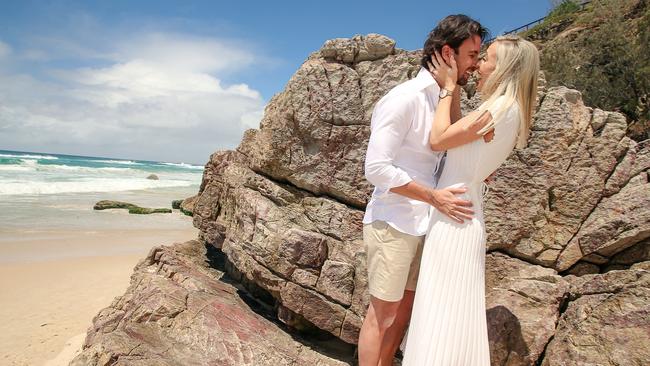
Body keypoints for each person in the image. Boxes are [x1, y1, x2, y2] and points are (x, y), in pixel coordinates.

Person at [400, 35, 540, 365]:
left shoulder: (498, 110)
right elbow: (461, 139)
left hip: (454, 218)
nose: (479, 65)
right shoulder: (508, 110)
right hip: (462, 211)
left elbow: (438, 140)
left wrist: (448, 88)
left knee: (441, 313)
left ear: (505, 68)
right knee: (449, 314)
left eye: (487, 59)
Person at [358, 15, 489, 366]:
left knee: (403, 316)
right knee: (382, 317)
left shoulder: (444, 99)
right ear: (449, 52)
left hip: (427, 224)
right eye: (472, 55)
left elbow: (448, 152)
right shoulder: (404, 98)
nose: (476, 65)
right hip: (394, 223)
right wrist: (433, 197)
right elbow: (376, 167)